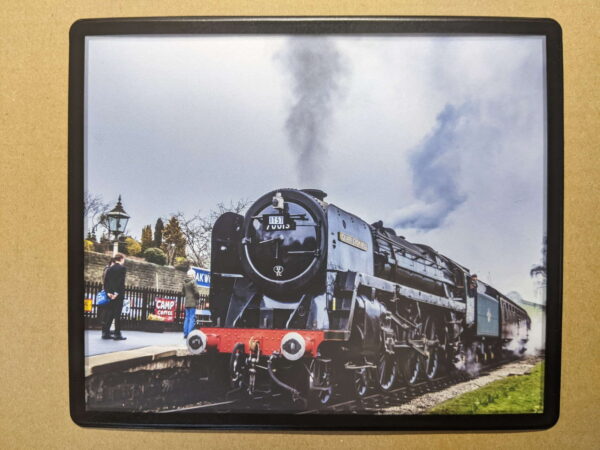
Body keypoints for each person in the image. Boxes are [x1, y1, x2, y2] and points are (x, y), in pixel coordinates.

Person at [103, 253, 128, 340]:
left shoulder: (109, 269)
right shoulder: (123, 268)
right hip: (118, 295)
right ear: (121, 259)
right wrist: (116, 293)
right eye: (124, 259)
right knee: (117, 315)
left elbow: (106, 282)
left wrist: (109, 293)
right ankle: (117, 334)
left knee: (110, 314)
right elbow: (121, 282)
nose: (124, 261)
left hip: (110, 295)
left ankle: (105, 333)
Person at [99, 256, 116, 339]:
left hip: (109, 293)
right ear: (112, 262)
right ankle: (105, 333)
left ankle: (106, 331)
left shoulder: (108, 269)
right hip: (108, 294)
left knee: (109, 313)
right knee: (108, 313)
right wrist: (109, 292)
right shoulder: (108, 269)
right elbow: (106, 282)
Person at [182, 269, 200, 339]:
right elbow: (196, 292)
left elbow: (183, 293)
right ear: (193, 275)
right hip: (192, 303)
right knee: (192, 318)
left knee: (187, 318)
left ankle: (185, 334)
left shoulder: (184, 283)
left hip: (187, 302)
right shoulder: (193, 282)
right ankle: (190, 334)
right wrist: (197, 298)